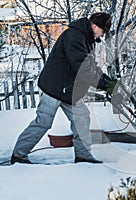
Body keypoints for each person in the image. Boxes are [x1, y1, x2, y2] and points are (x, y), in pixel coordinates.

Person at [11, 12, 116, 164]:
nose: (103, 34)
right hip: (53, 87)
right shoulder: (74, 36)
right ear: (94, 26)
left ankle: (83, 156)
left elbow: (91, 67)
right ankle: (19, 155)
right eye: (103, 31)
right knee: (43, 122)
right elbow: (82, 69)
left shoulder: (86, 39)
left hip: (68, 89)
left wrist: (108, 82)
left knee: (82, 119)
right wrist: (105, 85)